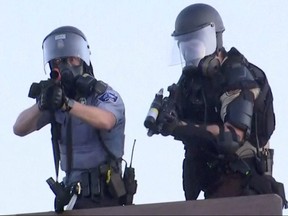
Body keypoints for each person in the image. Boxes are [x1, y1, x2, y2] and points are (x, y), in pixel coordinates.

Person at [145, 3, 287, 208]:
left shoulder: (237, 76)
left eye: (196, 44)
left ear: (214, 39)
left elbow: (232, 137)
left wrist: (181, 127)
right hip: (211, 185)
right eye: (185, 47)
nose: (191, 52)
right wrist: (166, 120)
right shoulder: (191, 84)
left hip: (242, 182)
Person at [13, 26, 127, 211]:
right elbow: (19, 128)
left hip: (105, 197)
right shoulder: (55, 99)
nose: (65, 66)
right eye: (58, 61)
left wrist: (68, 105)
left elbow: (106, 120)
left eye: (71, 59)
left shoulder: (102, 94)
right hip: (72, 197)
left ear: (82, 61)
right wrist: (42, 103)